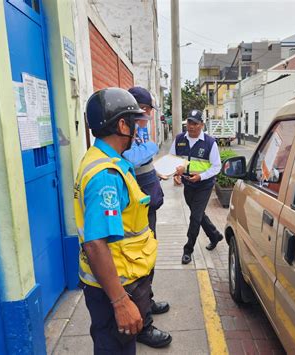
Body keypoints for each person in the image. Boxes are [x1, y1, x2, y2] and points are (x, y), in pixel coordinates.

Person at [74, 87, 172, 354]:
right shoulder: (106, 174)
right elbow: (95, 244)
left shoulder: (102, 159)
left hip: (118, 278)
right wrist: (120, 301)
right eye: (134, 122)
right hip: (115, 285)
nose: (138, 128)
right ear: (121, 125)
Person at [121, 86, 170, 347]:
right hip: (135, 212)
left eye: (150, 109)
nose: (149, 114)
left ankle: (146, 302)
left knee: (148, 258)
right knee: (139, 263)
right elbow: (132, 159)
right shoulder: (125, 135)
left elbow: (145, 157)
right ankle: (142, 324)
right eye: (146, 109)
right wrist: (149, 149)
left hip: (148, 206)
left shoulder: (140, 131)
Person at [170, 109, 224, 264]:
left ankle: (188, 250)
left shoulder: (209, 142)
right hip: (188, 184)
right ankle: (214, 235)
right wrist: (175, 174)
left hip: (204, 185)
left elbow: (216, 167)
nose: (191, 126)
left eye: (195, 123)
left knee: (195, 217)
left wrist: (201, 176)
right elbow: (172, 159)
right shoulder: (180, 139)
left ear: (202, 125)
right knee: (198, 214)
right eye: (189, 122)